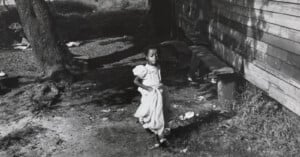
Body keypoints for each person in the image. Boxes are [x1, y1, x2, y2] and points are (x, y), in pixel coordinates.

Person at [132, 45, 169, 148]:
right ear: (146, 57)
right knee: (150, 115)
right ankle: (158, 137)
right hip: (150, 96)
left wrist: (160, 87)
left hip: (159, 94)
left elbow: (158, 78)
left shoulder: (158, 66)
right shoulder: (144, 69)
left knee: (159, 114)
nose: (155, 57)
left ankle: (159, 136)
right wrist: (147, 88)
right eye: (152, 55)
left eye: (157, 55)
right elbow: (135, 81)